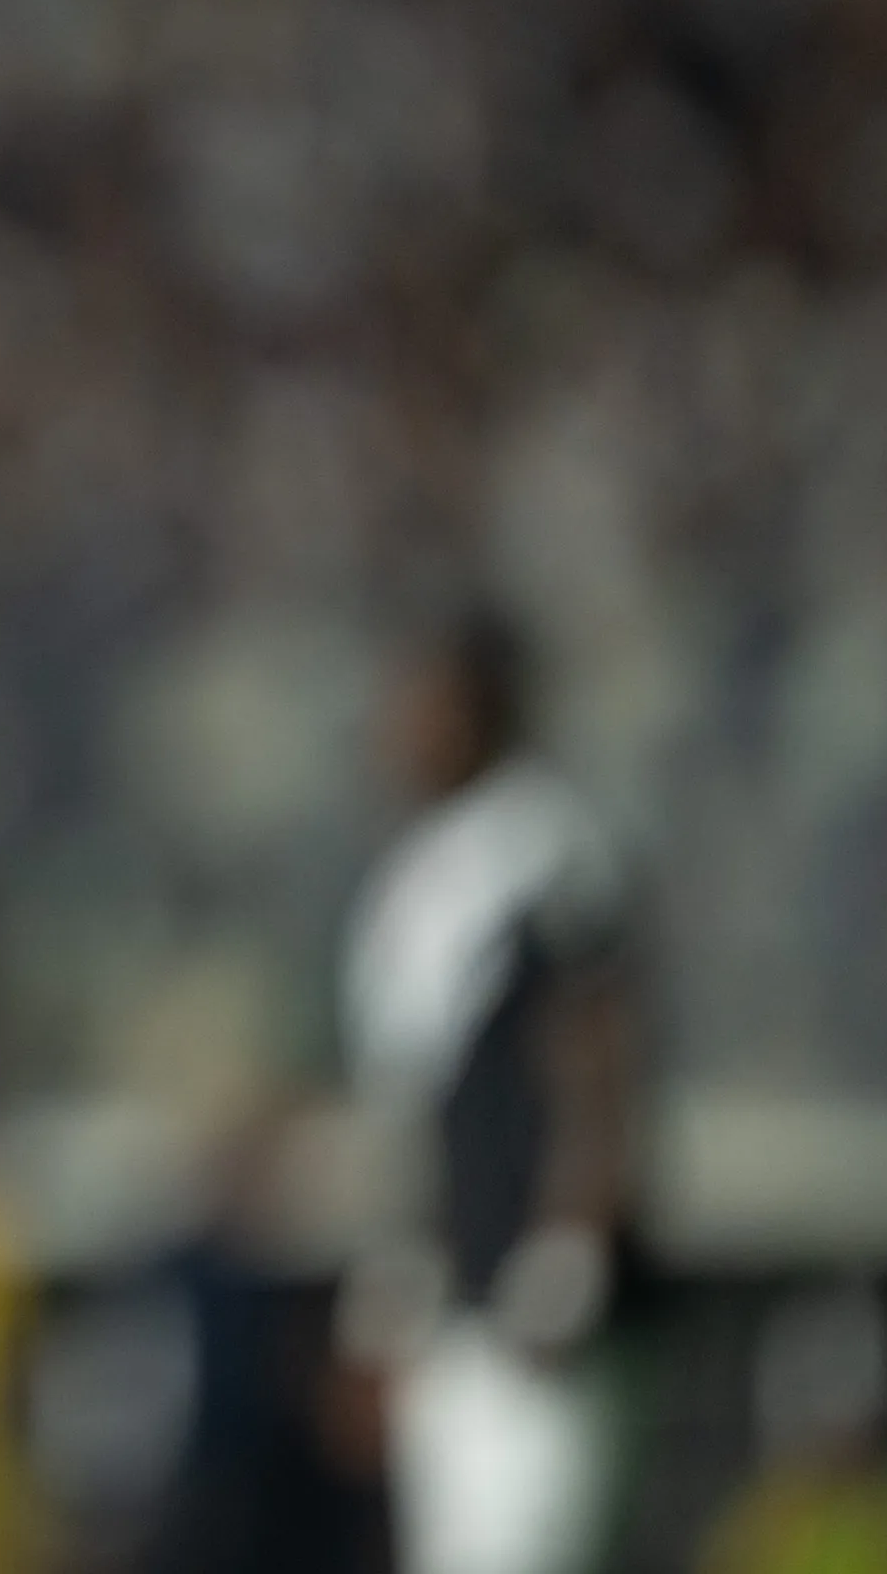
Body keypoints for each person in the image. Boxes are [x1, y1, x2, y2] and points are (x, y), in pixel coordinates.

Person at [338, 608, 644, 1574]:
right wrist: (394, 1276)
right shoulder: (419, 872)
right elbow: (410, 1100)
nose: (398, 725)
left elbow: (593, 1052)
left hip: (528, 1312)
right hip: (456, 1307)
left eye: (422, 701)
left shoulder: (544, 847)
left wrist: (570, 1245)